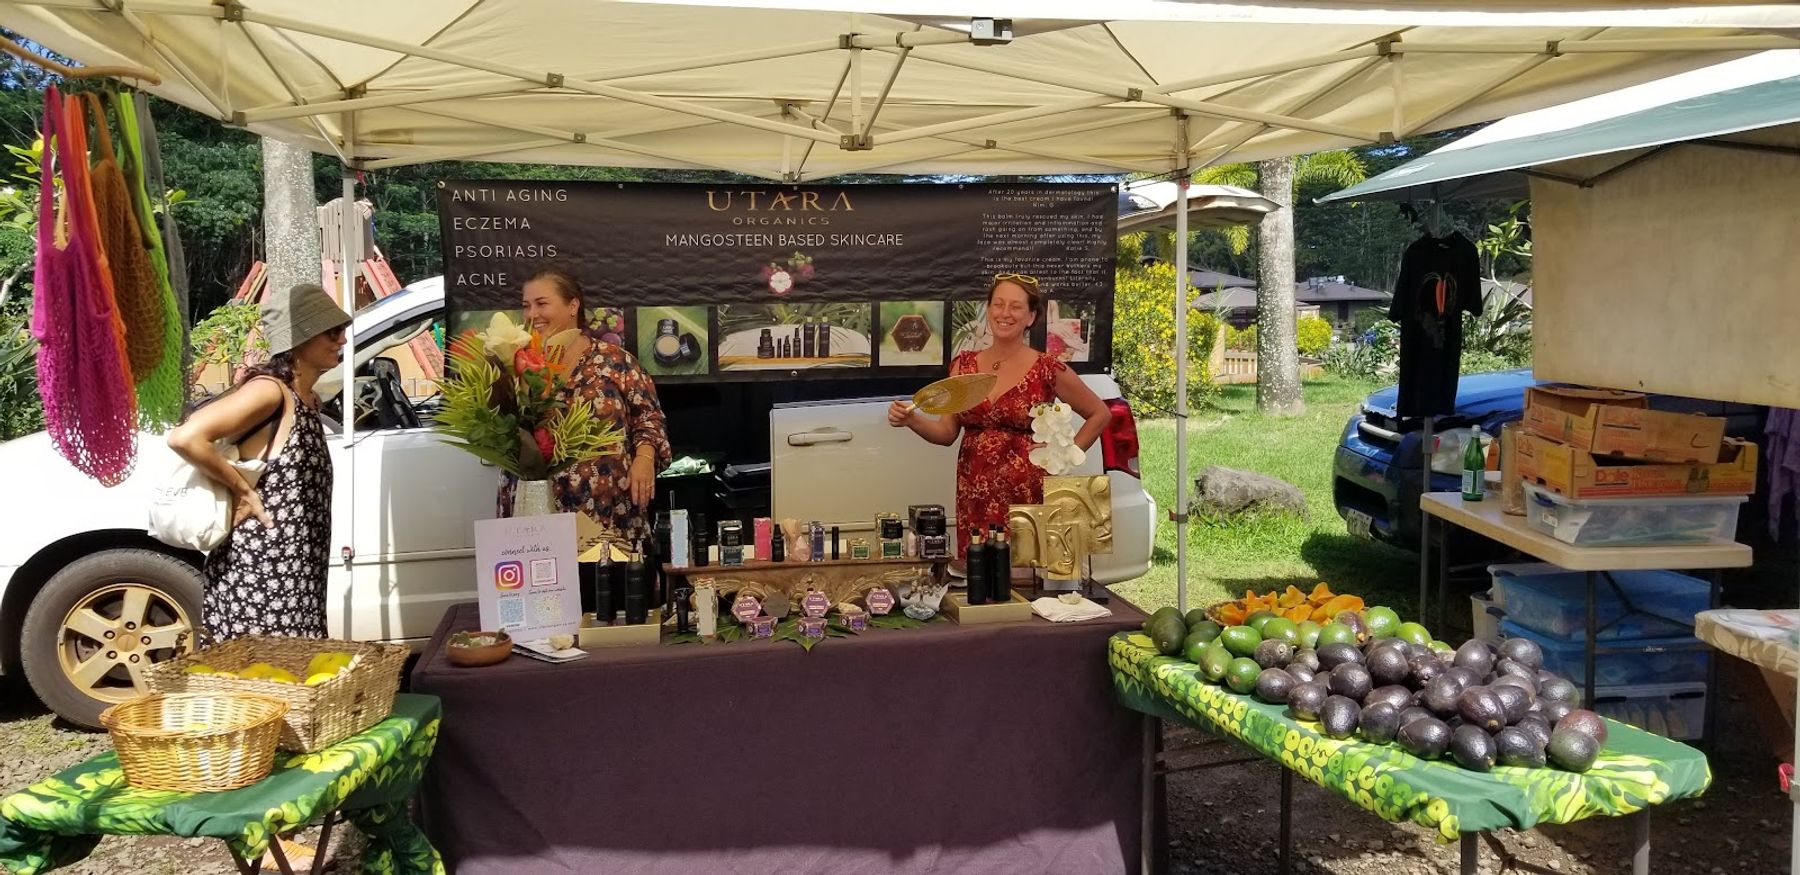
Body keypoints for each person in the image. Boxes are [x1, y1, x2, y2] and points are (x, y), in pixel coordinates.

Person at [169, 283, 349, 646]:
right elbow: (185, 437)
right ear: (300, 337)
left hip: (296, 573)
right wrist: (243, 490)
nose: (342, 340)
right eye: (332, 332)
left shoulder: (307, 399)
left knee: (296, 671)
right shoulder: (270, 391)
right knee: (266, 674)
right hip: (261, 573)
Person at [887, 273, 1110, 560]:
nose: (1005, 313)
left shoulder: (1047, 368)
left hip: (1028, 491)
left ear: (1031, 316)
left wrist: (1063, 456)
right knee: (979, 574)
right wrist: (912, 421)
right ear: (989, 309)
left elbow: (1099, 414)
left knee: (1026, 574)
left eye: (1015, 307)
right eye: (998, 304)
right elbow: (947, 433)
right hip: (975, 494)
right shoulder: (963, 366)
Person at [498, 267, 672, 540]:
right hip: (536, 512)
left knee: (608, 568)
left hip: (606, 510)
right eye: (526, 306)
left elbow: (649, 416)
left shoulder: (614, 360)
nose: (532, 314)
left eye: (542, 303)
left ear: (573, 306)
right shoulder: (516, 363)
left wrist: (645, 459)